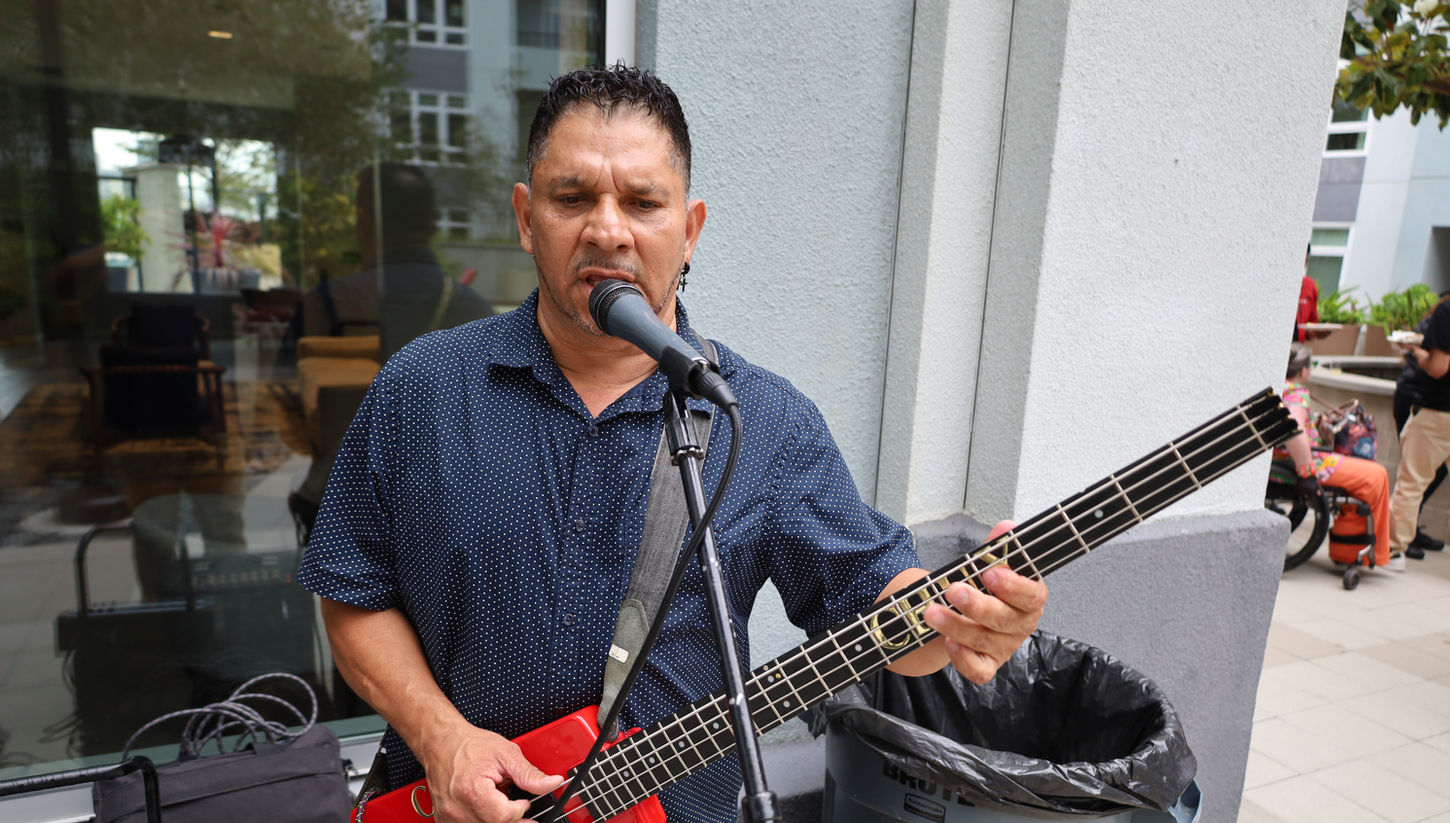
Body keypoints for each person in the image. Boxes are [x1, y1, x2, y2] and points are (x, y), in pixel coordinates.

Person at [296, 65, 1048, 823]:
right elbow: (351, 591)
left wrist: (960, 622)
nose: (608, 229)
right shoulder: (423, 386)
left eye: (643, 202)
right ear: (527, 218)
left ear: (689, 231)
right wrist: (441, 737)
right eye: (572, 197)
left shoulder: (766, 421)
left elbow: (876, 610)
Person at [287, 162, 494, 535]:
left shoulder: (329, 302)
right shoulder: (474, 310)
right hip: (445, 511)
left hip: (338, 503)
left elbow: (288, 413)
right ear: (432, 224)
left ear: (364, 221)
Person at [1279, 344, 1396, 570]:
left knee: (1367, 474)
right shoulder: (1295, 392)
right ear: (1303, 371)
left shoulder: (1278, 386)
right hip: (1306, 463)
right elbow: (1293, 428)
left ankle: (1350, 547)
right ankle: (1371, 552)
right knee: (1376, 475)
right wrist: (1307, 473)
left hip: (1287, 460)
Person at [1389, 295, 1450, 565]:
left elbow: (1438, 367)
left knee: (1411, 484)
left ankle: (1392, 549)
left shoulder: (1446, 311)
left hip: (1439, 413)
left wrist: (1417, 352)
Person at [1295, 244, 1319, 343]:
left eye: (1305, 261)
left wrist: (1321, 331)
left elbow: (1312, 325)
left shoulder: (1310, 285)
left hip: (1297, 349)